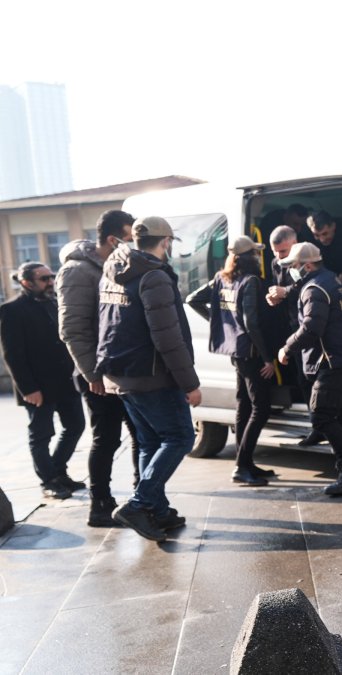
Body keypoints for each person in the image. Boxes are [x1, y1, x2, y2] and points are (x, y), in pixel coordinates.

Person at [96, 216, 202, 542]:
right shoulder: (153, 276)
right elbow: (167, 337)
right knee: (180, 437)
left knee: (150, 442)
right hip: (152, 376)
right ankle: (140, 503)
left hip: (122, 373)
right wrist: (190, 383)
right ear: (166, 242)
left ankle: (156, 510)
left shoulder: (114, 270)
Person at [57, 209, 144, 525]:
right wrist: (92, 373)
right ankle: (100, 504)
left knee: (140, 434)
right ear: (113, 238)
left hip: (122, 369)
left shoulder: (117, 265)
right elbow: (72, 329)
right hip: (97, 374)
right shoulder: (77, 272)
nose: (134, 243)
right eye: (130, 237)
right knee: (106, 438)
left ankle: (143, 499)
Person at [275, 242, 342, 496]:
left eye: (293, 266)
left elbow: (311, 328)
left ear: (307, 265)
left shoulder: (314, 289)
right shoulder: (336, 282)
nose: (291, 270)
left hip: (331, 362)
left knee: (321, 416)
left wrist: (286, 347)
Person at [186, 235, 277, 487]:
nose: (259, 256)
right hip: (251, 353)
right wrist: (267, 358)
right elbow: (251, 323)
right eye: (256, 253)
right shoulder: (251, 282)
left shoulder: (221, 279)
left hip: (235, 351)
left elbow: (193, 299)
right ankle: (241, 466)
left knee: (244, 405)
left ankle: (245, 462)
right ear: (250, 257)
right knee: (260, 408)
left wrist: (223, 324)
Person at [0, 262, 86, 501]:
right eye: (44, 279)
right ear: (26, 282)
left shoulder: (54, 303)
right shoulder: (12, 310)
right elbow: (13, 354)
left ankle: (58, 471)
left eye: (51, 277)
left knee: (76, 425)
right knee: (41, 435)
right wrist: (28, 388)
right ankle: (48, 481)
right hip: (37, 387)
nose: (50, 282)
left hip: (65, 382)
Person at [266, 225, 324, 447]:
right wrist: (274, 296)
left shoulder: (307, 256)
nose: (279, 257)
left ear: (295, 242)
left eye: (283, 252)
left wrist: (285, 293)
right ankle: (316, 425)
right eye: (275, 252)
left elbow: (308, 285)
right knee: (302, 378)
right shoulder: (276, 262)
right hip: (290, 324)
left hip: (310, 324)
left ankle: (321, 425)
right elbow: (280, 288)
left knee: (314, 378)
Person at [306, 210, 342, 289]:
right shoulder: (310, 242)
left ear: (333, 226)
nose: (322, 240)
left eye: (325, 234)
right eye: (316, 235)